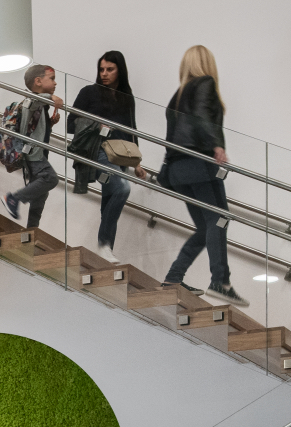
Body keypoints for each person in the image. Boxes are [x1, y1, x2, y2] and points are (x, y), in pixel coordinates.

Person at [161, 44, 246, 306]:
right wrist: (216, 145)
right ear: (207, 63)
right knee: (219, 218)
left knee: (206, 225)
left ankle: (174, 278)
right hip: (198, 163)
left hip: (177, 169)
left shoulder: (178, 94)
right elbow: (200, 116)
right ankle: (220, 282)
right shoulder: (206, 83)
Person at [68, 50, 140, 251]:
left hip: (122, 155)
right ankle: (104, 248)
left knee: (110, 202)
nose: (104, 74)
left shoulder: (127, 97)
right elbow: (70, 124)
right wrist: (95, 125)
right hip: (98, 151)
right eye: (101, 69)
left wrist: (137, 163)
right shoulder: (89, 92)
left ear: (120, 70)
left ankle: (105, 251)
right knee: (122, 189)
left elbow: (132, 129)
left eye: (110, 69)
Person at [4, 64, 63, 231]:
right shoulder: (32, 100)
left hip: (36, 152)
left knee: (41, 192)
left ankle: (32, 229)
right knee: (50, 178)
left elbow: (32, 127)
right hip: (33, 153)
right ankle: (13, 199)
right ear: (38, 81)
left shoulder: (39, 106)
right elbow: (36, 100)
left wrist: (49, 124)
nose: (55, 83)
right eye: (51, 79)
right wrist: (52, 98)